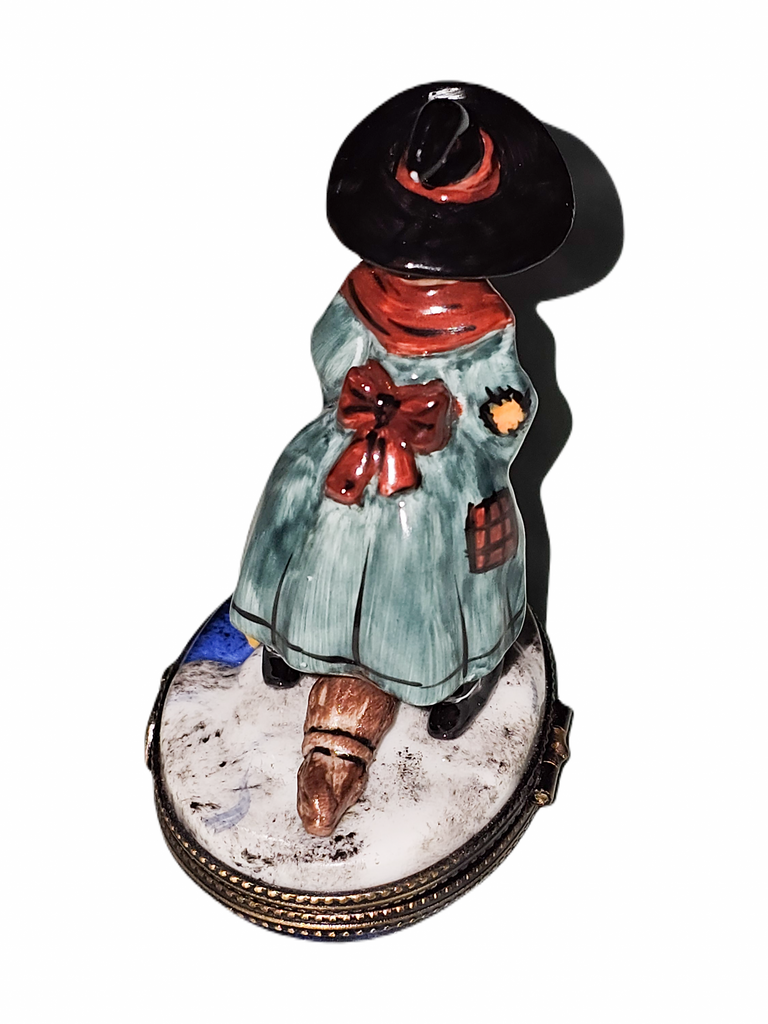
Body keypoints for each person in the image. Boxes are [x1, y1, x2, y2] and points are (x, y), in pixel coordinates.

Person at [229, 82, 574, 836]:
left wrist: (480, 421)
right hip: (358, 436)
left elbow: (506, 396)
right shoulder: (363, 291)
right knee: (304, 501)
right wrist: (363, 394)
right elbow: (332, 348)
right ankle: (295, 636)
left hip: (438, 457)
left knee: (426, 546)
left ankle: (446, 672)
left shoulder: (484, 318)